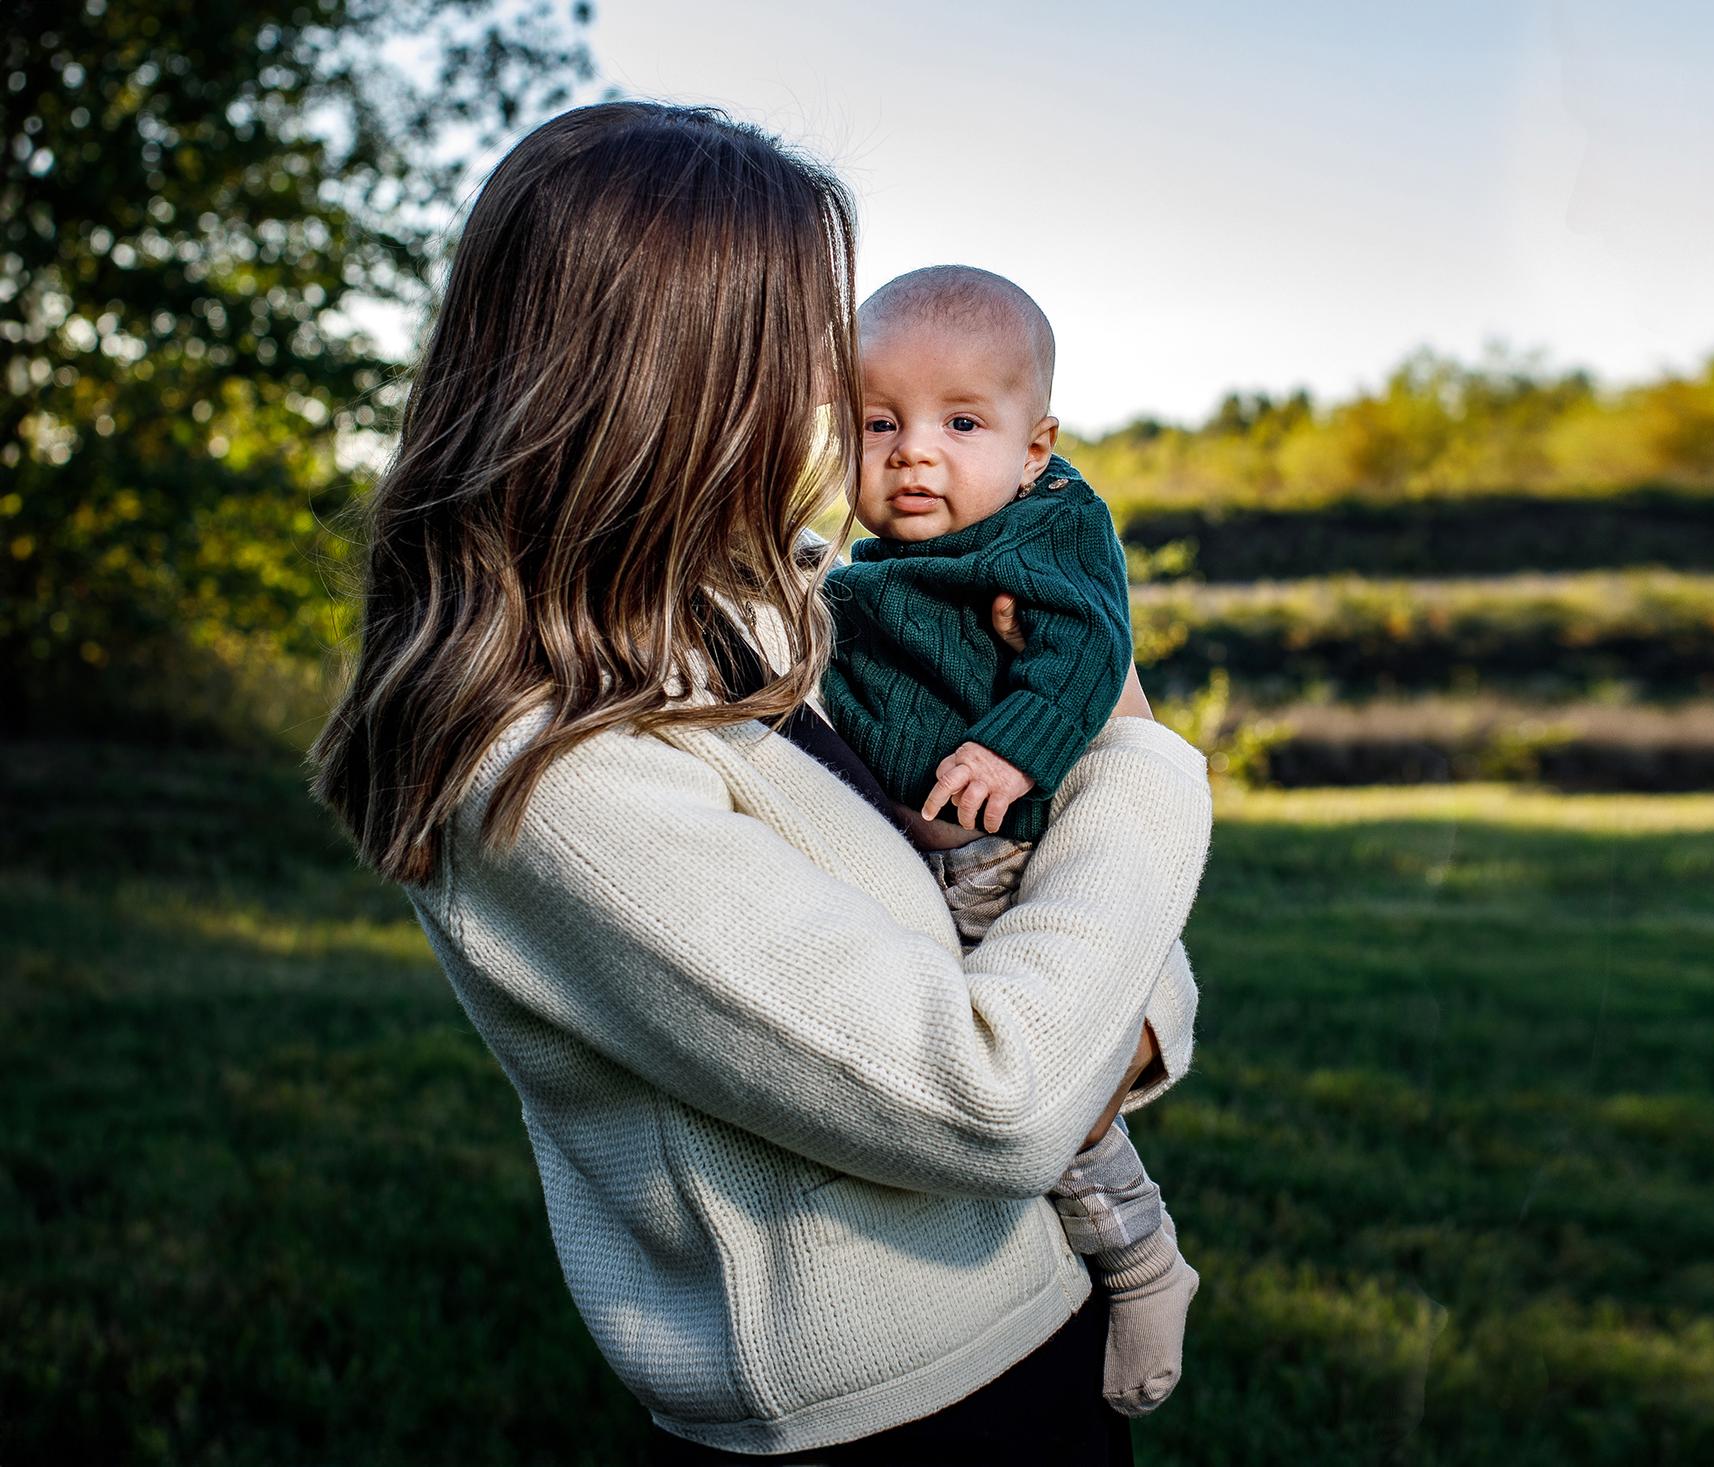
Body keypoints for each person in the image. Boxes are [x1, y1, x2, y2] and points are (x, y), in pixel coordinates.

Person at [308, 100, 1210, 1466]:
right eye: (799, 352)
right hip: (876, 1419)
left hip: (1033, 1325)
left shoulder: (760, 617)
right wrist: (1141, 754)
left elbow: (1065, 952)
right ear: (673, 376)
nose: (819, 405)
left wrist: (1118, 1025)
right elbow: (1000, 1093)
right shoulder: (556, 773)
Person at [819, 264, 1201, 1419]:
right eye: (877, 424)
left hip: (999, 856)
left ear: (1035, 447)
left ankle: (1138, 1257)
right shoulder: (870, 557)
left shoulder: (1047, 527)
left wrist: (1012, 752)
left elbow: (1085, 650)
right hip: (911, 861)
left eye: (959, 423)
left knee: (1041, 1092)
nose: (912, 454)